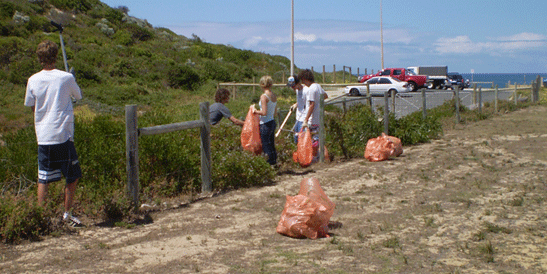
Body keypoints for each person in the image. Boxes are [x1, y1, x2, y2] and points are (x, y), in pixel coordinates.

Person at [24, 40, 83, 227]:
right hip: (63, 134)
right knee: (72, 176)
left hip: (43, 135)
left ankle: (41, 218)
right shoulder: (65, 77)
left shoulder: (32, 80)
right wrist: (72, 78)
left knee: (44, 178)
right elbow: (78, 96)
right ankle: (67, 214)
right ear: (55, 56)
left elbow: (32, 107)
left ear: (39, 58)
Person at [298, 69, 328, 158]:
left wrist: (306, 119)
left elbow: (311, 105)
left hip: (313, 119)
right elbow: (325, 95)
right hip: (319, 118)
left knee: (315, 142)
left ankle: (321, 158)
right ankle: (322, 158)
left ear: (305, 79)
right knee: (318, 140)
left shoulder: (311, 89)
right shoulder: (318, 86)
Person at [251, 75, 277, 166]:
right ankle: (274, 163)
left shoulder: (264, 96)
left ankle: (269, 165)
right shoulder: (273, 95)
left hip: (265, 123)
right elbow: (275, 112)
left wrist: (255, 111)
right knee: (271, 144)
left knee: (266, 145)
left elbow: (264, 112)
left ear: (262, 84)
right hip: (272, 121)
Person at [287, 75, 306, 143]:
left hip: (304, 119)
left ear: (298, 83)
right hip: (298, 118)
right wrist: (296, 104)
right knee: (296, 139)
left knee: (302, 140)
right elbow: (300, 101)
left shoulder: (306, 90)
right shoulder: (297, 91)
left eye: (293, 86)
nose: (292, 88)